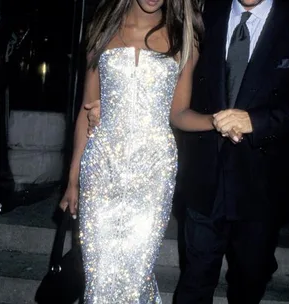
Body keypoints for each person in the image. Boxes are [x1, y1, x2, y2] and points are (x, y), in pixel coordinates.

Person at [85, 0, 289, 303]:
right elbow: (172, 92)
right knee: (193, 283)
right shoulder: (203, 20)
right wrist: (112, 105)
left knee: (249, 281)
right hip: (203, 179)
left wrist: (257, 121)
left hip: (262, 184)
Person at [58, 0, 216, 302]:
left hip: (154, 169)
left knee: (135, 272)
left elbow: (179, 113)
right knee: (99, 273)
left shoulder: (185, 37)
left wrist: (215, 121)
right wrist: (73, 179)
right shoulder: (103, 30)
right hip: (102, 164)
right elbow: (86, 109)